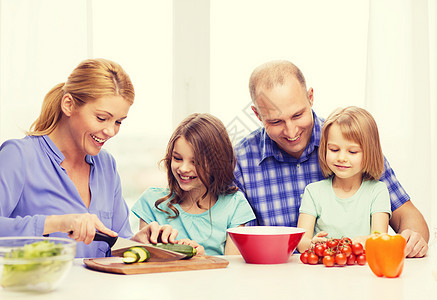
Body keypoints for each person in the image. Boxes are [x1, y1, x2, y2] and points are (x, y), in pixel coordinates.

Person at [234, 60, 429, 257]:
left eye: (298, 115)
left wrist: (413, 237)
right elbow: (234, 242)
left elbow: (407, 215)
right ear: (257, 115)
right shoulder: (240, 161)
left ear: (310, 97)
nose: (291, 131)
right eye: (276, 121)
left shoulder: (350, 141)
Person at [0, 58, 177, 258]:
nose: (111, 130)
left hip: (98, 290)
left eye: (118, 121)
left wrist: (140, 243)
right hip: (35, 288)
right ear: (68, 105)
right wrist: (57, 223)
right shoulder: (19, 155)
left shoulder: (106, 165)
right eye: (102, 118)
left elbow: (115, 241)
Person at [132, 113, 256, 256]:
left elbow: (233, 268)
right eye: (177, 158)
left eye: (196, 162)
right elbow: (142, 262)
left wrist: (203, 259)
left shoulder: (234, 205)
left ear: (217, 163)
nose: (184, 168)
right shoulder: (152, 201)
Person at [296, 106, 391, 253]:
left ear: (370, 152)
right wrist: (311, 244)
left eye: (352, 151)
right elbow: (301, 242)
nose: (341, 158)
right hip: (322, 271)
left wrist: (364, 242)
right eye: (334, 149)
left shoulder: (377, 191)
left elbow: (380, 239)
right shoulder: (313, 192)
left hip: (361, 272)